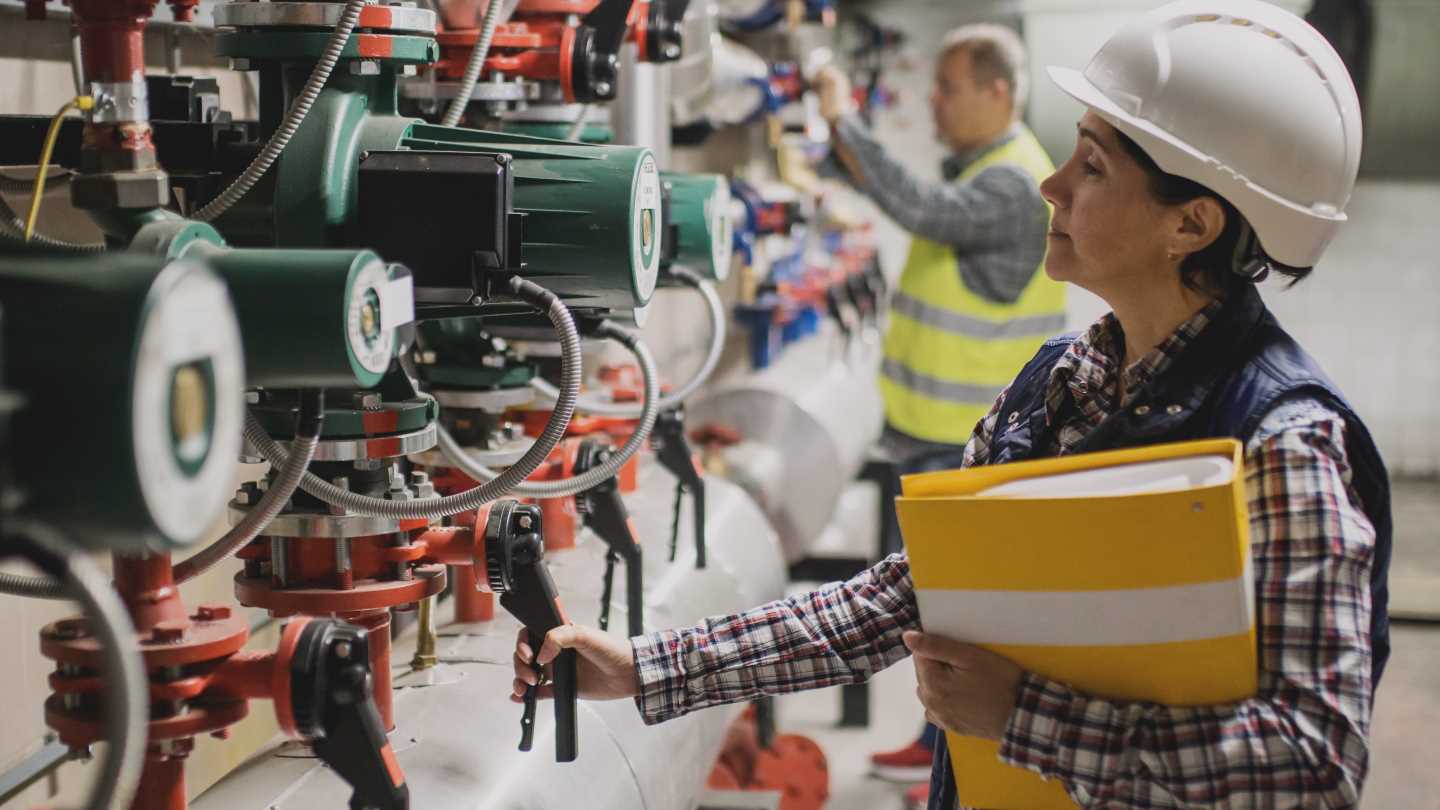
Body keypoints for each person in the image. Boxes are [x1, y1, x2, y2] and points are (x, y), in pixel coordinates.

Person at [512, 2, 1393, 808]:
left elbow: (1313, 762)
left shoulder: (1283, 445)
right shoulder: (1059, 386)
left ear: (1190, 225)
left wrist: (1025, 718)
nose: (1050, 186)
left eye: (1091, 166)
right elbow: (898, 601)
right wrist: (647, 668)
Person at [816, 25, 1067, 792]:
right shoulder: (987, 168)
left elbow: (921, 207)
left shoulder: (1013, 181)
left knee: (956, 619)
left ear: (999, 92)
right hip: (932, 431)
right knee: (936, 617)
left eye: (949, 86)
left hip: (967, 438)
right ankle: (939, 747)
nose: (935, 101)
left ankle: (965, 769)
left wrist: (841, 121)